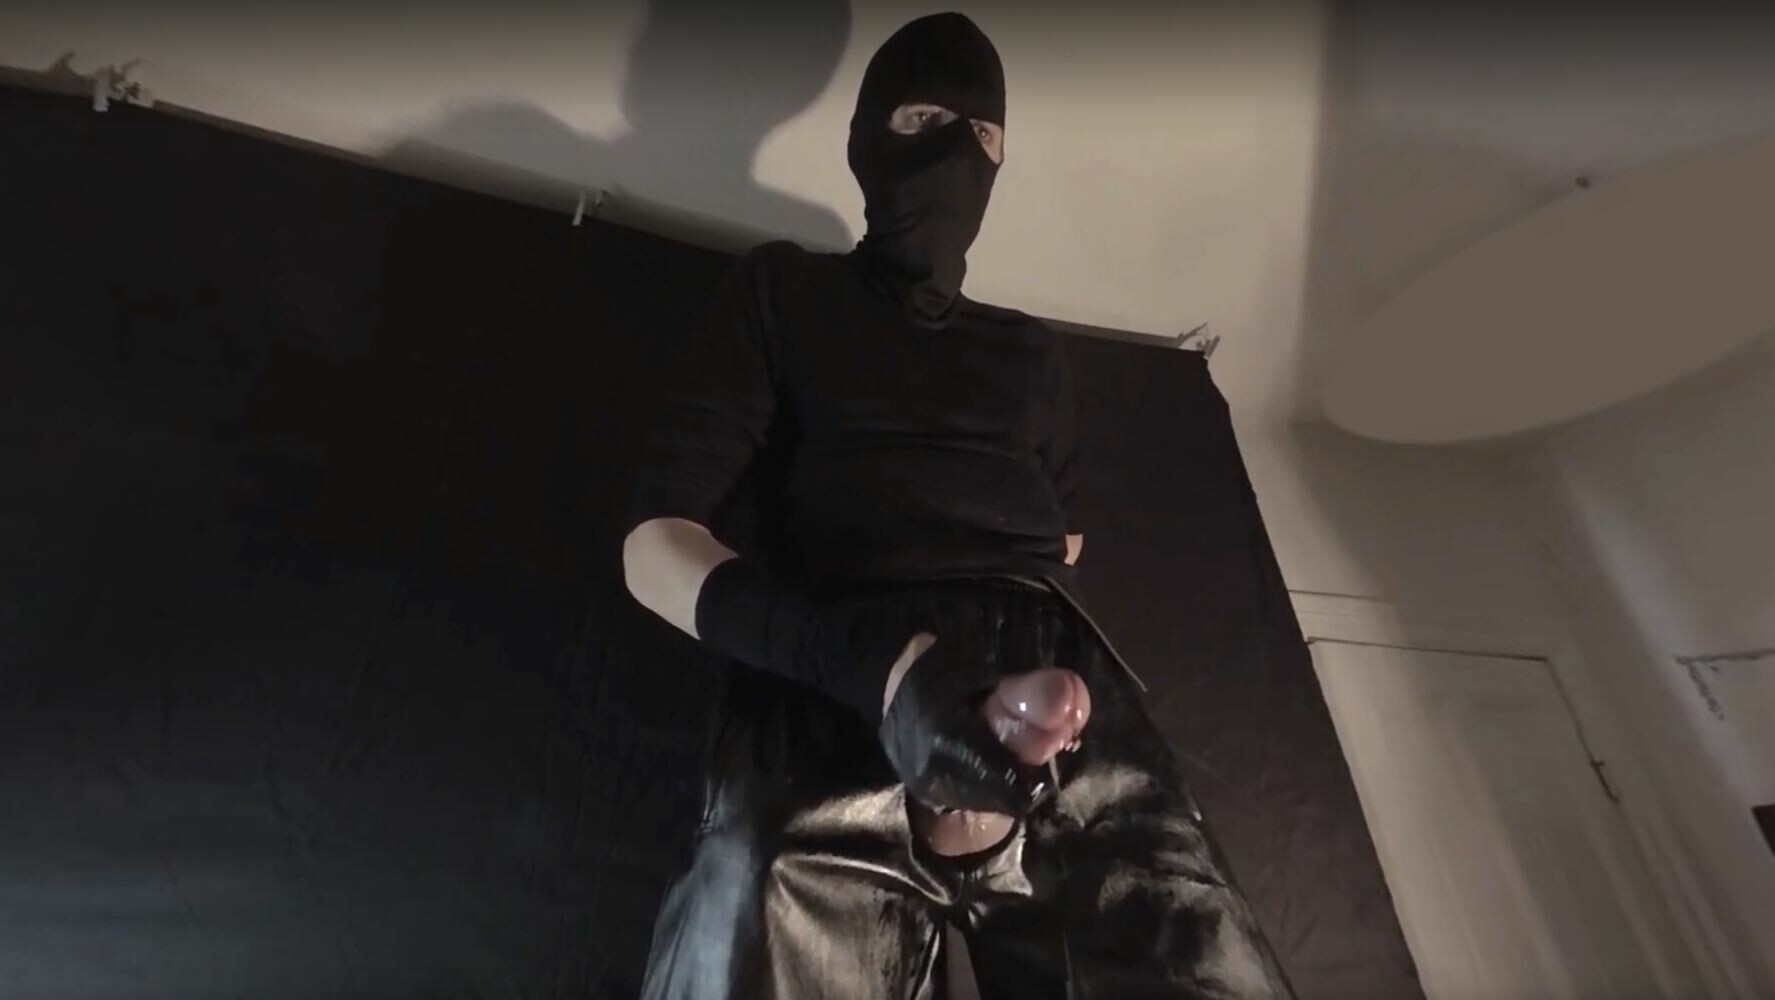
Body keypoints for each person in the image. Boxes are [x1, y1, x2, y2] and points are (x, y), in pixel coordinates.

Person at [623, 12, 1293, 999]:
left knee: (1184, 945)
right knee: (765, 912)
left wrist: (1018, 665)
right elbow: (653, 547)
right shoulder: (781, 289)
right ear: (866, 137)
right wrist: (876, 668)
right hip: (836, 666)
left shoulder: (1029, 351)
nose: (954, 154)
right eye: (923, 120)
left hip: (1045, 676)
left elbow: (1064, 539)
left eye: (981, 135)